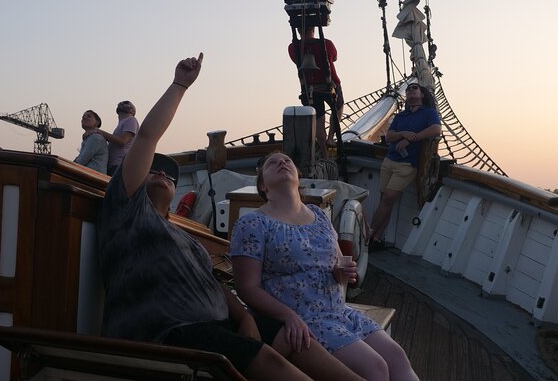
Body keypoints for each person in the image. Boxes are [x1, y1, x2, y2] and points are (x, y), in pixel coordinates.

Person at [96, 53, 364, 381]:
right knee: (275, 361)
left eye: (169, 175)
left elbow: (213, 284)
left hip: (219, 324)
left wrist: (245, 319)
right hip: (170, 334)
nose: (162, 173)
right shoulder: (126, 212)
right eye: (153, 169)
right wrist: (180, 85)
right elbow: (148, 136)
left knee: (297, 337)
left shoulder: (183, 236)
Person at [231, 151, 419, 381]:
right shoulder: (252, 223)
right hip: (302, 320)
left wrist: (342, 273)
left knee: (397, 357)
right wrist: (288, 317)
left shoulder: (319, 216)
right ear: (263, 184)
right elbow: (247, 288)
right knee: (376, 368)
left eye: (287, 160)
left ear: (298, 177)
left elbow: (338, 264)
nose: (282, 162)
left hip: (339, 311)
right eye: (272, 163)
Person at [368, 83, 442, 252]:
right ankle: (377, 239)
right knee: (385, 201)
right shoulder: (401, 116)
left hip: (406, 165)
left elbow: (436, 129)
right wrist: (402, 134)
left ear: (422, 94)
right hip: (389, 161)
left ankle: (367, 235)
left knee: (386, 200)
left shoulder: (429, 114)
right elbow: (389, 137)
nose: (409, 90)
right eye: (408, 89)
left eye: (414, 88)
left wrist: (411, 139)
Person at [288, 26, 344, 158]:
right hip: (330, 85)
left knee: (318, 119)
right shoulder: (327, 44)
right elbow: (334, 58)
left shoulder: (293, 47)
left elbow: (296, 61)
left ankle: (324, 153)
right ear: (314, 29)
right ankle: (330, 138)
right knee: (339, 106)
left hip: (309, 89)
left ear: (298, 31)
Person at [89, 100, 139, 176]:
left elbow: (123, 141)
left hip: (118, 165)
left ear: (132, 110)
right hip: (112, 165)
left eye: (126, 103)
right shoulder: (124, 122)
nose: (122, 104)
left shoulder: (131, 120)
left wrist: (99, 132)